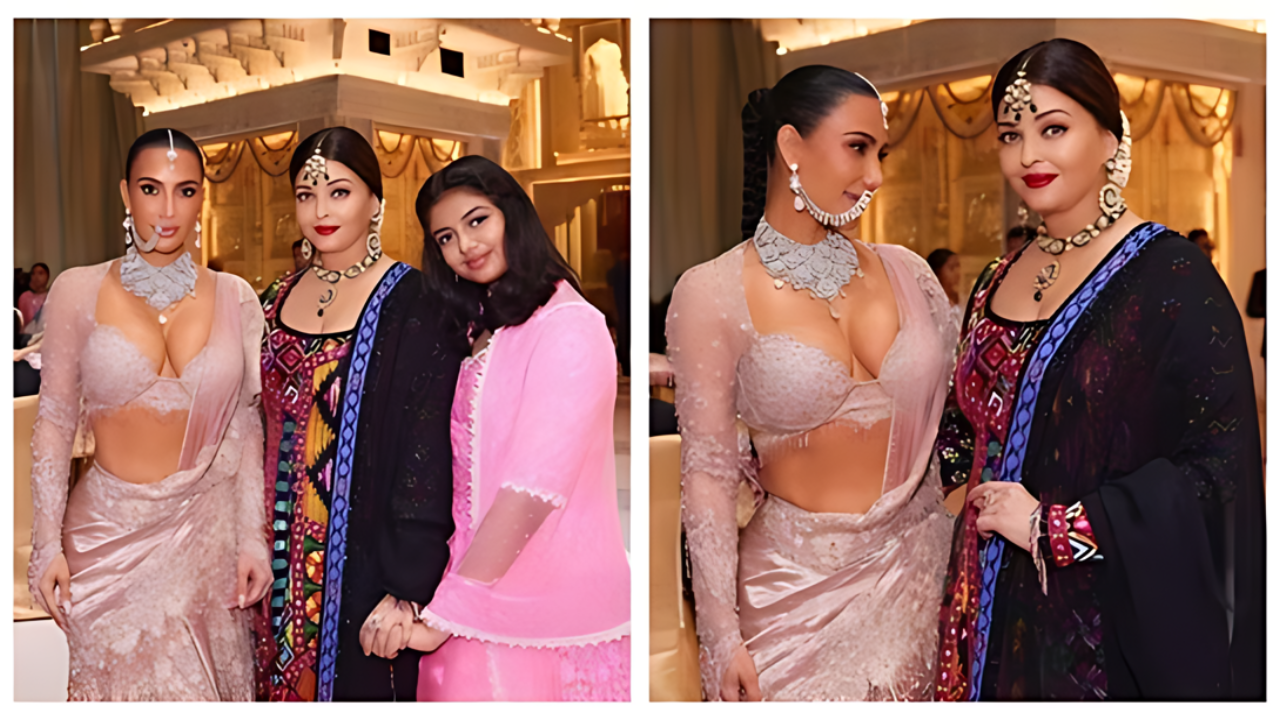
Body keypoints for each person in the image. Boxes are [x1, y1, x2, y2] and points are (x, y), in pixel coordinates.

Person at [934, 39, 1264, 701]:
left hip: (1093, 629)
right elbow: (960, 429)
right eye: (1010, 134)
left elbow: (1219, 473)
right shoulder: (995, 277)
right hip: (976, 611)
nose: (1029, 155)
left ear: (1112, 139)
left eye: (1054, 129)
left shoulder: (1171, 279)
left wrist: (1056, 527)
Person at [668, 65, 958, 701]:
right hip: (786, 602)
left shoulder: (909, 273)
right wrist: (720, 633)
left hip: (921, 586)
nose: (875, 174)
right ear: (792, 147)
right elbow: (709, 477)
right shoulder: (710, 293)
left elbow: (967, 413)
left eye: (881, 152)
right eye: (858, 147)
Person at [27, 128, 271, 700]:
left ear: (202, 197)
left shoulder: (236, 298)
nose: (167, 211)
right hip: (103, 542)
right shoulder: (75, 290)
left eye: (185, 191)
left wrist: (251, 539)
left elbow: (244, 425)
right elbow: (55, 424)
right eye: (150, 189)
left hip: (205, 545)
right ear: (125, 194)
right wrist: (46, 545)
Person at [389, 155, 630, 701]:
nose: (466, 246)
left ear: (513, 217)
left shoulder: (570, 326)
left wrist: (451, 611)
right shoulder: (482, 328)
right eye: (446, 237)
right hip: (473, 593)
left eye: (478, 221)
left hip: (540, 614)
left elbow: (532, 491)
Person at [255, 127, 467, 701]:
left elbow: (426, 455)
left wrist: (406, 585)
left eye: (340, 192)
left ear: (376, 201)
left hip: (364, 569)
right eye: (305, 194)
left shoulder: (414, 302)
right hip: (267, 566)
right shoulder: (271, 299)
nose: (320, 211)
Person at [926, 247, 964, 332]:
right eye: (951, 268)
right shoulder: (931, 305)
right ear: (937, 272)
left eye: (958, 266)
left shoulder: (960, 299)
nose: (957, 273)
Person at [18, 262, 50, 330]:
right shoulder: (25, 297)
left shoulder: (51, 296)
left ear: (48, 276)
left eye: (40, 273)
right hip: (29, 335)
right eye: (33, 274)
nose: (36, 276)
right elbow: (28, 320)